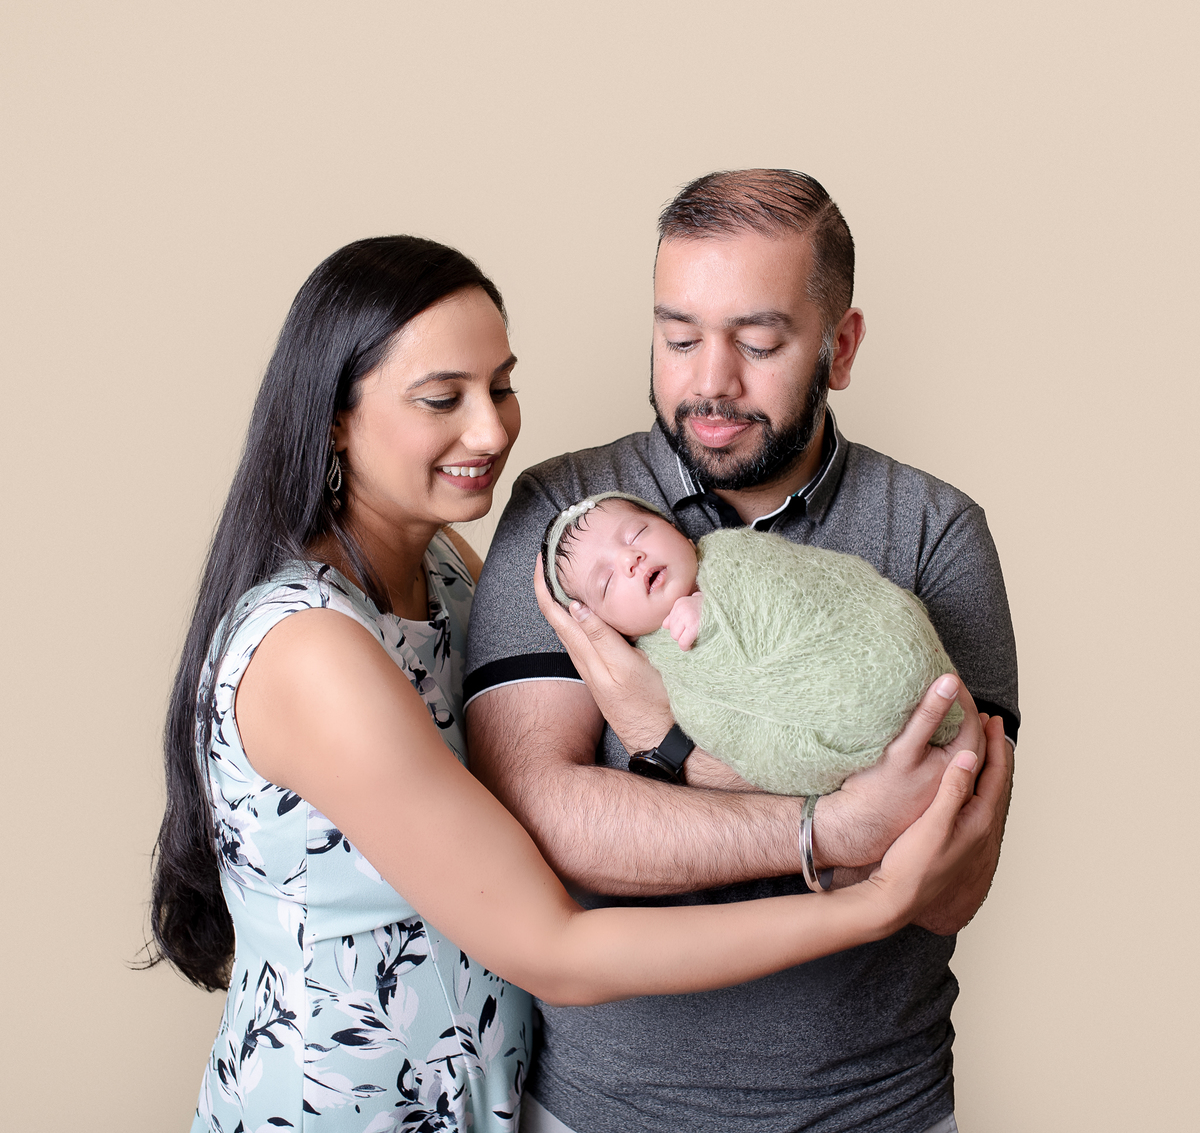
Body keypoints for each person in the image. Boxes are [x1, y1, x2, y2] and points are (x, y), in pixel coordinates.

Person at [148, 234, 1000, 1133]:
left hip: (474, 1101)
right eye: (442, 398)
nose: (492, 431)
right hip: (343, 1109)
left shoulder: (445, 569)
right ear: (333, 417)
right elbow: (554, 944)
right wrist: (865, 890)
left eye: (501, 387)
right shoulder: (314, 650)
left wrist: (681, 728)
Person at [465, 171, 1019, 1133]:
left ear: (841, 347)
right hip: (601, 1113)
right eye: (679, 339)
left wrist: (666, 744)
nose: (711, 381)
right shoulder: (569, 524)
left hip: (877, 1111)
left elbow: (951, 881)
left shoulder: (935, 533)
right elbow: (540, 820)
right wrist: (838, 832)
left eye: (758, 343)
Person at [540, 491, 962, 796]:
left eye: (637, 534)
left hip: (874, 649)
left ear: (678, 532)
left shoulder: (730, 553)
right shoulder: (647, 663)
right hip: (835, 728)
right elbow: (723, 725)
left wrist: (715, 606)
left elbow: (805, 584)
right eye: (607, 581)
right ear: (611, 628)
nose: (629, 560)